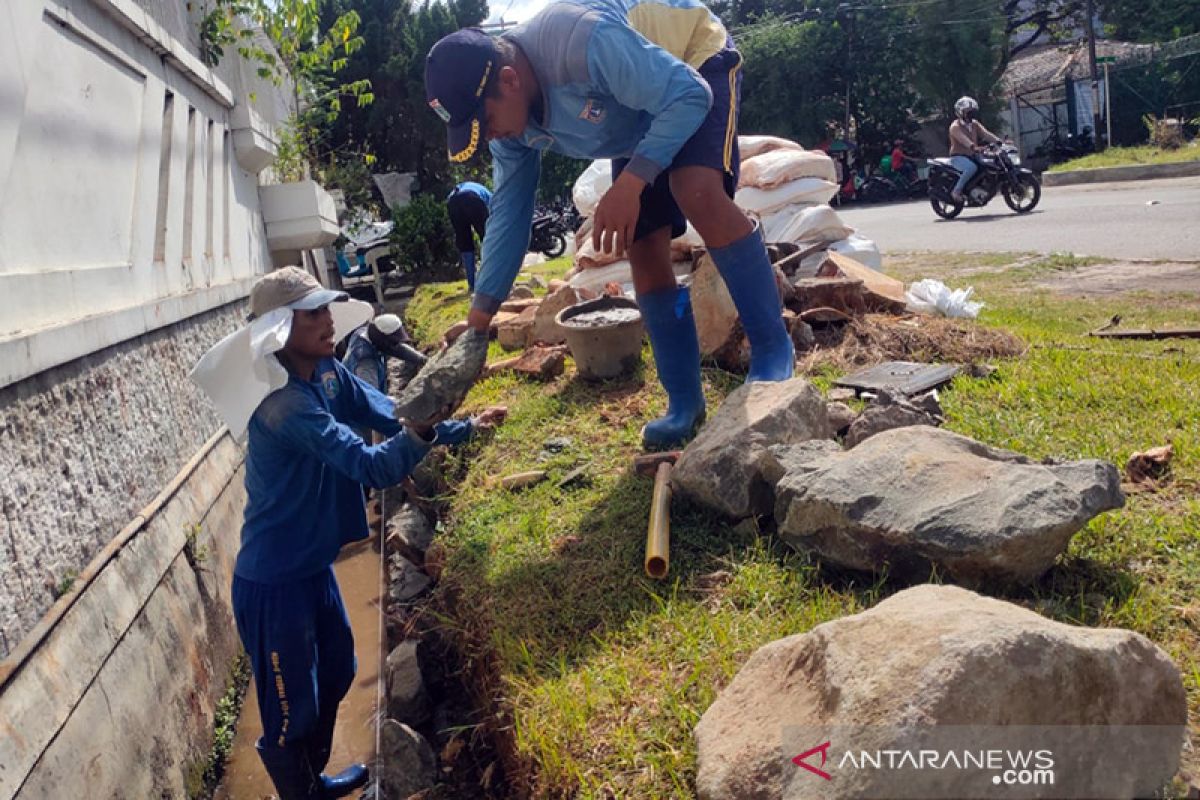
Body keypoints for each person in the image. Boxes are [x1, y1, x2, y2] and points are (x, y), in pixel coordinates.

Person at [424, 2, 795, 449]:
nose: (489, 136)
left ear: (509, 80)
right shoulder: (513, 132)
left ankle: (773, 350)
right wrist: (480, 316)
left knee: (694, 188)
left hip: (689, 63)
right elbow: (508, 214)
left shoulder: (582, 43)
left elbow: (689, 95)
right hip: (636, 109)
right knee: (639, 242)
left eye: (485, 122)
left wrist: (632, 182)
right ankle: (683, 401)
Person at [232, 267, 504, 799]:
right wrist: (425, 431)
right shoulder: (284, 405)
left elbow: (393, 411)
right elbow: (372, 466)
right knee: (291, 711)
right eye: (313, 313)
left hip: (312, 566)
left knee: (338, 673)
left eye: (326, 307)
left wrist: (458, 428)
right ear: (280, 330)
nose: (328, 319)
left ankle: (316, 781)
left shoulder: (328, 373)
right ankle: (304, 793)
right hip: (273, 582)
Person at [342, 313, 428, 395]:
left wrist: (422, 359)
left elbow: (397, 349)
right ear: (381, 339)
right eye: (393, 342)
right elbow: (372, 397)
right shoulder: (365, 364)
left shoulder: (363, 333)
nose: (394, 346)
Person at [948, 96, 1001, 204]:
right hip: (958, 157)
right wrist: (973, 147)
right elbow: (964, 140)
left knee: (988, 165)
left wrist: (999, 141)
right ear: (960, 112)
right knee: (971, 168)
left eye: (972, 111)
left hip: (972, 155)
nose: (971, 114)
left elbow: (986, 134)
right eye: (968, 112)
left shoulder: (974, 124)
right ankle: (956, 191)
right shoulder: (955, 127)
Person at [446, 181, 493, 292]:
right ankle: (491, 278)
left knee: (465, 243)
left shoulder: (463, 187)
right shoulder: (488, 194)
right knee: (488, 239)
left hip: (452, 201)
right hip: (472, 198)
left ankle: (472, 284)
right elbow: (495, 213)